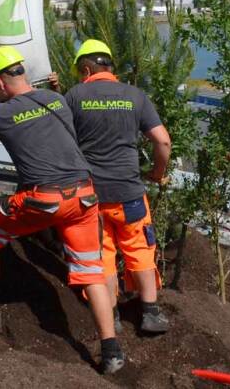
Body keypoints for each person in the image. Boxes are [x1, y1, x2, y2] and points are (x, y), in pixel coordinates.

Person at [0, 46, 125, 374]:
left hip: (44, 199)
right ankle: (111, 350)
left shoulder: (0, 113)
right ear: (23, 73)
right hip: (85, 198)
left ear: (1, 84)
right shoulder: (56, 100)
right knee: (91, 273)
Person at [57, 39, 173, 334]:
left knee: (103, 255)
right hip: (130, 194)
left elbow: (59, 136)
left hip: (92, 197)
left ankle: (112, 316)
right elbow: (162, 141)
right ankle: (150, 314)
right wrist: (157, 173)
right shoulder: (134, 95)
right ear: (109, 65)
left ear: (86, 68)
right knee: (140, 249)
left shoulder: (75, 95)